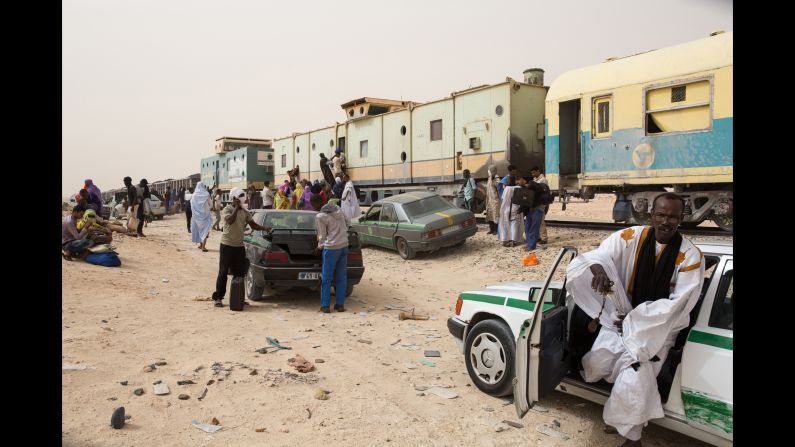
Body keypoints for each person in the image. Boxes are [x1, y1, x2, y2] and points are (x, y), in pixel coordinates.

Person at [565, 193, 705, 446]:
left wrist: (634, 320)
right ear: (651, 214)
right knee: (600, 361)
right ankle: (618, 412)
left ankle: (632, 438)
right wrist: (599, 271)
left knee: (635, 379)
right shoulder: (631, 236)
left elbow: (677, 305)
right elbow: (598, 254)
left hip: (657, 331)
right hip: (621, 318)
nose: (666, 221)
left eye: (672, 216)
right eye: (661, 214)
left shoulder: (690, 256)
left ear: (681, 219)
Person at [211, 187, 270, 308]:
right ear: (233, 198)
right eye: (239, 197)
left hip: (239, 246)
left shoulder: (245, 211)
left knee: (239, 273)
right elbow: (230, 221)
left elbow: (253, 224)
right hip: (227, 245)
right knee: (223, 272)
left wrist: (265, 228)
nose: (241, 200)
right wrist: (236, 208)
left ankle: (238, 297)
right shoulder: (227, 209)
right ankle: (218, 297)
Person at [315, 200, 351, 313]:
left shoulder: (321, 216)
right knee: (341, 276)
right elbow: (349, 222)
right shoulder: (339, 211)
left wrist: (320, 246)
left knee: (327, 278)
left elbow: (322, 234)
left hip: (331, 249)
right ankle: (340, 305)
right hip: (344, 246)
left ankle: (325, 306)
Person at [497, 176, 523, 247]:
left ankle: (506, 240)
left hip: (506, 209)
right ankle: (513, 241)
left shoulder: (506, 188)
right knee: (514, 224)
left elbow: (503, 198)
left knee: (506, 224)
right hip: (516, 209)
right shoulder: (518, 188)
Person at [190, 182, 214, 252]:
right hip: (205, 216)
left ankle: (201, 245)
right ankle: (203, 246)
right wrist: (208, 209)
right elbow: (211, 204)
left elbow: (192, 205)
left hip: (196, 217)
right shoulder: (206, 194)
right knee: (205, 231)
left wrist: (195, 213)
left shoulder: (194, 195)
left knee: (199, 230)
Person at [530, 166, 549, 244]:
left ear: (538, 171)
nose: (533, 174)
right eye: (532, 173)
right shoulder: (535, 180)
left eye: (534, 172)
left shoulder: (543, 180)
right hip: (536, 202)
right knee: (536, 220)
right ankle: (538, 237)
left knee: (541, 220)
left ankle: (544, 238)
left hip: (541, 202)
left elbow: (540, 190)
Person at [485, 168, 500, 235]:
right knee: (489, 215)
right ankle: (491, 229)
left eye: (489, 171)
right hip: (489, 200)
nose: (488, 172)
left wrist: (493, 179)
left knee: (495, 215)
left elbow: (498, 187)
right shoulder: (489, 178)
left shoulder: (496, 178)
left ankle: (496, 230)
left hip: (495, 200)